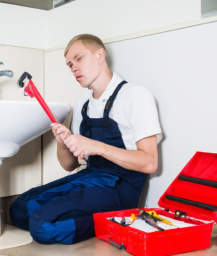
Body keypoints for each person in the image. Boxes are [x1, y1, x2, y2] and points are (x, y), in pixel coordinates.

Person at [9, 34, 162, 245]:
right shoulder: (82, 103)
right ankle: (82, 217)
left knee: (42, 226)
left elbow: (149, 162)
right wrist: (64, 139)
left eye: (79, 58)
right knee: (18, 209)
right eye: (70, 65)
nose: (74, 68)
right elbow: (68, 165)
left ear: (100, 55)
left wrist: (95, 146)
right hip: (89, 178)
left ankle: (113, 219)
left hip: (120, 187)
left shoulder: (135, 95)